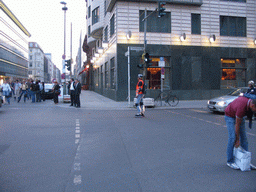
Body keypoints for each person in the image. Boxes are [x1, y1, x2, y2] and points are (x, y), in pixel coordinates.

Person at [224, 95, 256, 170]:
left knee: (244, 139)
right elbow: (237, 125)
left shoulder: (251, 102)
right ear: (252, 105)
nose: (255, 111)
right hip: (229, 116)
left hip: (239, 115)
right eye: (255, 109)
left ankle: (246, 161)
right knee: (232, 138)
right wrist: (237, 140)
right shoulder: (242, 107)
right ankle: (230, 161)